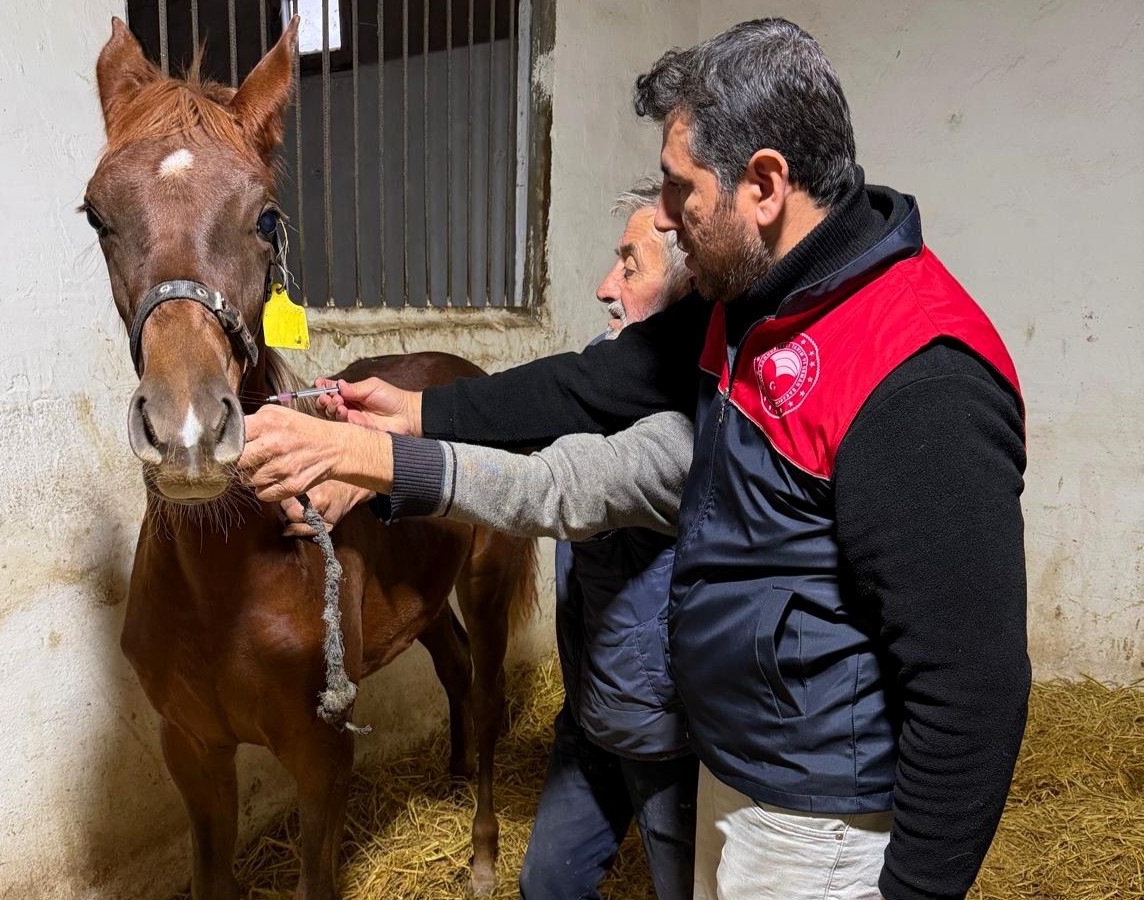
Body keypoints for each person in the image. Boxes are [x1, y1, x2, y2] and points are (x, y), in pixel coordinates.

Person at [277, 19, 1031, 900]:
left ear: (765, 184)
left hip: (819, 822)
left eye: (681, 190)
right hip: (731, 767)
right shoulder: (753, 308)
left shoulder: (917, 374)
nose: (668, 216)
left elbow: (971, 689)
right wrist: (416, 411)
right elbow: (585, 388)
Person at [243, 182, 702, 899]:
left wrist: (371, 464)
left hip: (667, 735)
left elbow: (542, 485)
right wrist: (408, 417)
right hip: (591, 715)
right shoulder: (604, 373)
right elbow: (525, 413)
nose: (604, 285)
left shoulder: (687, 431)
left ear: (688, 295)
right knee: (546, 882)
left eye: (631, 266)